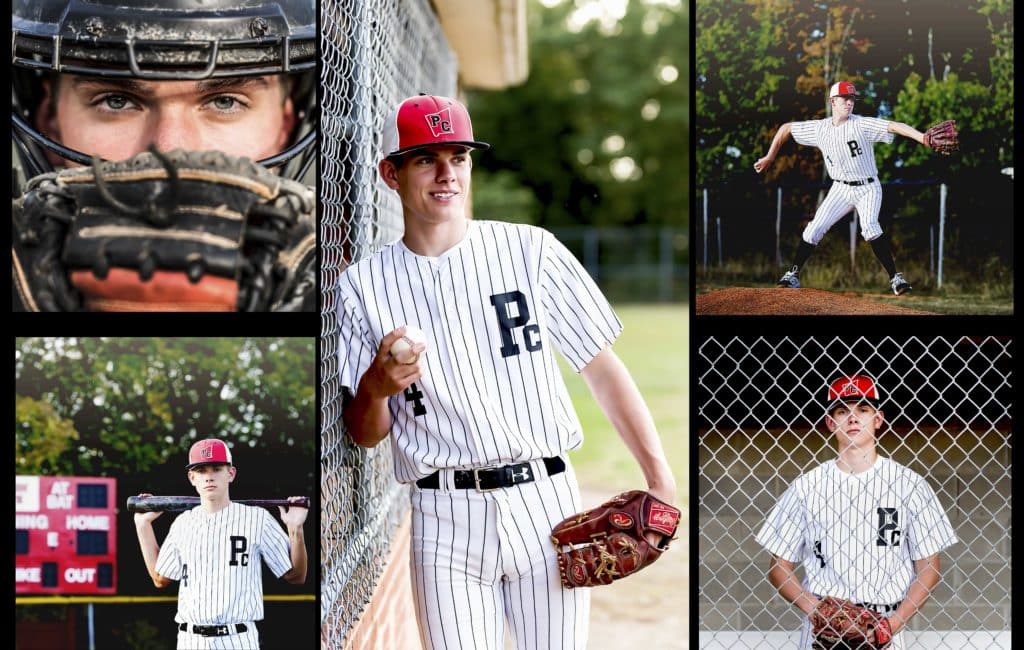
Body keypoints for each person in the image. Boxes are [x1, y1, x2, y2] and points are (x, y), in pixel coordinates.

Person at [336, 94, 677, 650]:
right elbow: (365, 431)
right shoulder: (364, 286)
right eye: (426, 159)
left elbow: (602, 369)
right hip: (442, 513)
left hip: (545, 502)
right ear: (391, 173)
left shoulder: (529, 249)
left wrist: (661, 478)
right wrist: (376, 387)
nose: (447, 174)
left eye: (460, 157)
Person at [11, 0, 317, 311]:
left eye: (225, 102)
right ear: (50, 122)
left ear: (285, 127)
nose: (170, 154)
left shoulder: (344, 285)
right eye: (116, 101)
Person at [755, 374, 957, 649]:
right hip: (822, 625)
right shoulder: (806, 487)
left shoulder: (909, 485)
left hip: (885, 619)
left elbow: (929, 568)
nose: (852, 418)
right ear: (830, 422)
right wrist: (819, 612)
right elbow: (779, 568)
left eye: (862, 410)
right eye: (842, 411)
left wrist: (892, 625)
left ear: (878, 419)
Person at [754, 81, 937, 295]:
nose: (849, 103)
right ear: (833, 101)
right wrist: (770, 156)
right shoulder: (820, 129)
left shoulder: (860, 124)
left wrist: (922, 137)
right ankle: (792, 274)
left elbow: (893, 126)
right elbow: (786, 128)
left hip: (868, 187)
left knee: (869, 226)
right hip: (840, 188)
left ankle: (896, 279)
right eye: (845, 99)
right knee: (814, 229)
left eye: (852, 99)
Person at [134, 438, 308, 650]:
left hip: (238, 638)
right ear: (192, 477)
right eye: (201, 470)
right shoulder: (182, 524)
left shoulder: (257, 519)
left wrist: (295, 529)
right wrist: (142, 526)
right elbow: (160, 579)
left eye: (216, 468)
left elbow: (296, 576)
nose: (209, 477)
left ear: (231, 473)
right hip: (191, 639)